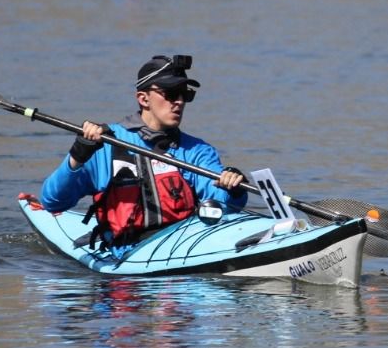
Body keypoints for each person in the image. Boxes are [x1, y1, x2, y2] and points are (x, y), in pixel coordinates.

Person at [39, 55, 248, 253]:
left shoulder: (198, 151)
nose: (180, 102)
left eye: (185, 94)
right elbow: (53, 202)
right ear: (143, 99)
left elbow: (222, 205)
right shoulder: (104, 143)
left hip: (181, 247)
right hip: (125, 262)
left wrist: (234, 189)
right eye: (171, 94)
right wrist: (78, 156)